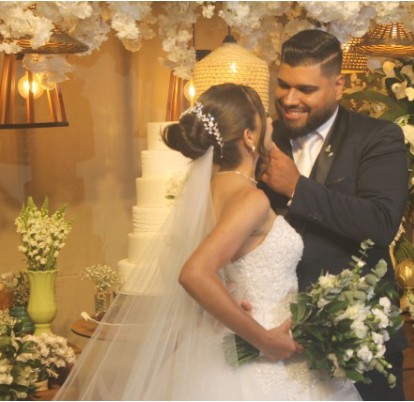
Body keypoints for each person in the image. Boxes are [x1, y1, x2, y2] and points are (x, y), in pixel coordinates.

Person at [55, 83, 360, 400]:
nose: (272, 121)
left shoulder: (209, 193)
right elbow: (195, 272)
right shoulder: (250, 199)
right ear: (249, 137)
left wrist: (227, 299)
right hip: (263, 355)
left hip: (227, 342)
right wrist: (264, 340)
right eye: (264, 116)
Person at [260, 29, 409, 401]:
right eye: (283, 85)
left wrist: (297, 188)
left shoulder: (378, 137)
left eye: (305, 89)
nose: (289, 99)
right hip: (277, 342)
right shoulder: (263, 140)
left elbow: (380, 223)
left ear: (338, 86)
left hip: (360, 341)